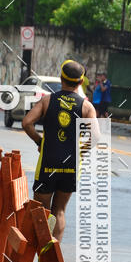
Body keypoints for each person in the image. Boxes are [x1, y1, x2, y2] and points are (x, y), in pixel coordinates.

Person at [22, 59, 96, 243]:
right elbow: (96, 136)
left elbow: (27, 123)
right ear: (80, 82)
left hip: (48, 162)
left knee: (41, 210)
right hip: (71, 166)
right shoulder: (87, 107)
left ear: (61, 78)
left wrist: (39, 141)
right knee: (60, 211)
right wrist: (81, 152)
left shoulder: (48, 100)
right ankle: (52, 256)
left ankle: (37, 250)